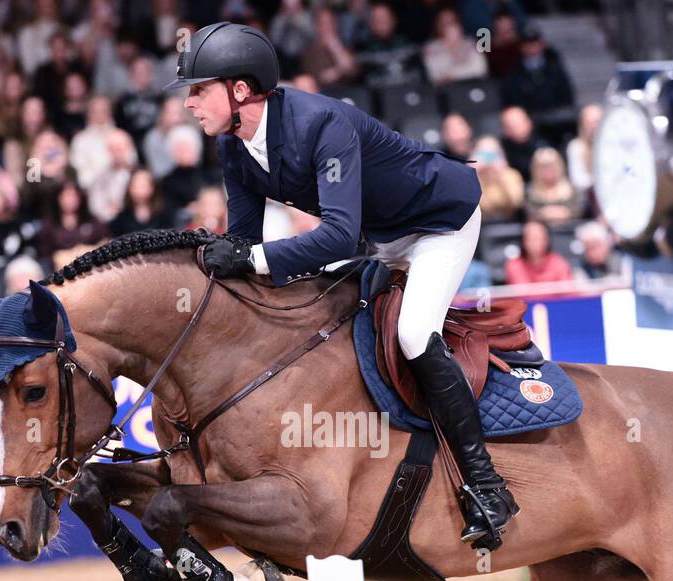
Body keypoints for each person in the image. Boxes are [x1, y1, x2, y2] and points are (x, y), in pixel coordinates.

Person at [172, 21, 517, 550]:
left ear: (240, 91)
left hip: (438, 225)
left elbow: (334, 237)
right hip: (380, 239)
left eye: (198, 89)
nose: (190, 103)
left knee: (412, 334)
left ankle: (487, 485)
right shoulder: (235, 147)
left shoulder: (321, 123)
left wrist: (253, 257)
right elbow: (244, 244)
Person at [505, 220, 572, 284]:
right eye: (530, 238)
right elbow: (522, 293)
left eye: (537, 238)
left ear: (546, 240)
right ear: (523, 241)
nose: (534, 243)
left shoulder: (559, 263)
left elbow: (568, 291)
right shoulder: (514, 265)